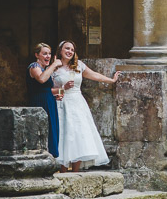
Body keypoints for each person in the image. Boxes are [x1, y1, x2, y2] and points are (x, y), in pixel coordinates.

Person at [51, 40, 121, 172]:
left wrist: (111, 80)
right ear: (60, 50)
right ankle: (63, 169)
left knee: (79, 133)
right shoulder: (54, 68)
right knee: (65, 133)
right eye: (67, 48)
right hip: (62, 102)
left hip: (78, 103)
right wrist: (62, 88)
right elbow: (49, 88)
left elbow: (94, 75)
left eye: (72, 49)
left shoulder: (78, 66)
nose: (70, 51)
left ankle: (76, 171)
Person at [27, 42, 71, 159]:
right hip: (39, 103)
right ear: (37, 55)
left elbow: (48, 90)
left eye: (49, 54)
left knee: (52, 130)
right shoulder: (34, 66)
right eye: (44, 54)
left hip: (50, 102)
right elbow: (41, 79)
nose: (48, 56)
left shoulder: (45, 69)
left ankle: (51, 158)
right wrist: (54, 65)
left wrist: (61, 92)